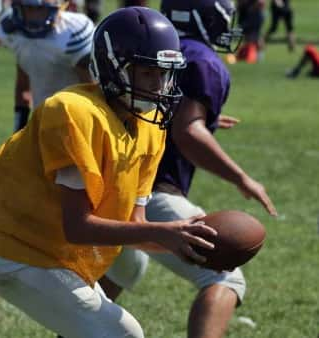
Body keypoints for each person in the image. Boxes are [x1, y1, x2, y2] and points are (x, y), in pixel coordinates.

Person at [0, 7, 218, 338]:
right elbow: (78, 227)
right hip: (5, 243)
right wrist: (165, 231)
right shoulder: (73, 113)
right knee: (123, 334)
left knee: (131, 266)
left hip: (46, 240)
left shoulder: (152, 128)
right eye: (147, 72)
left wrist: (185, 243)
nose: (160, 84)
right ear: (114, 67)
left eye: (165, 73)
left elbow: (135, 225)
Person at [98, 1, 278, 338]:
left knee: (126, 268)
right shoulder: (203, 59)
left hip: (111, 188)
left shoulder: (151, 49)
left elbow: (157, 111)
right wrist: (242, 178)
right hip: (149, 192)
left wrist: (199, 117)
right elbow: (187, 131)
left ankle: (75, 327)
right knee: (225, 276)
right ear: (205, 17)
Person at [0, 0, 95, 132]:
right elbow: (23, 88)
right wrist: (18, 132)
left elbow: (94, 93)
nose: (33, 16)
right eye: (29, 8)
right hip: (42, 123)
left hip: (75, 124)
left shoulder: (70, 33)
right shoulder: (15, 34)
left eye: (40, 9)